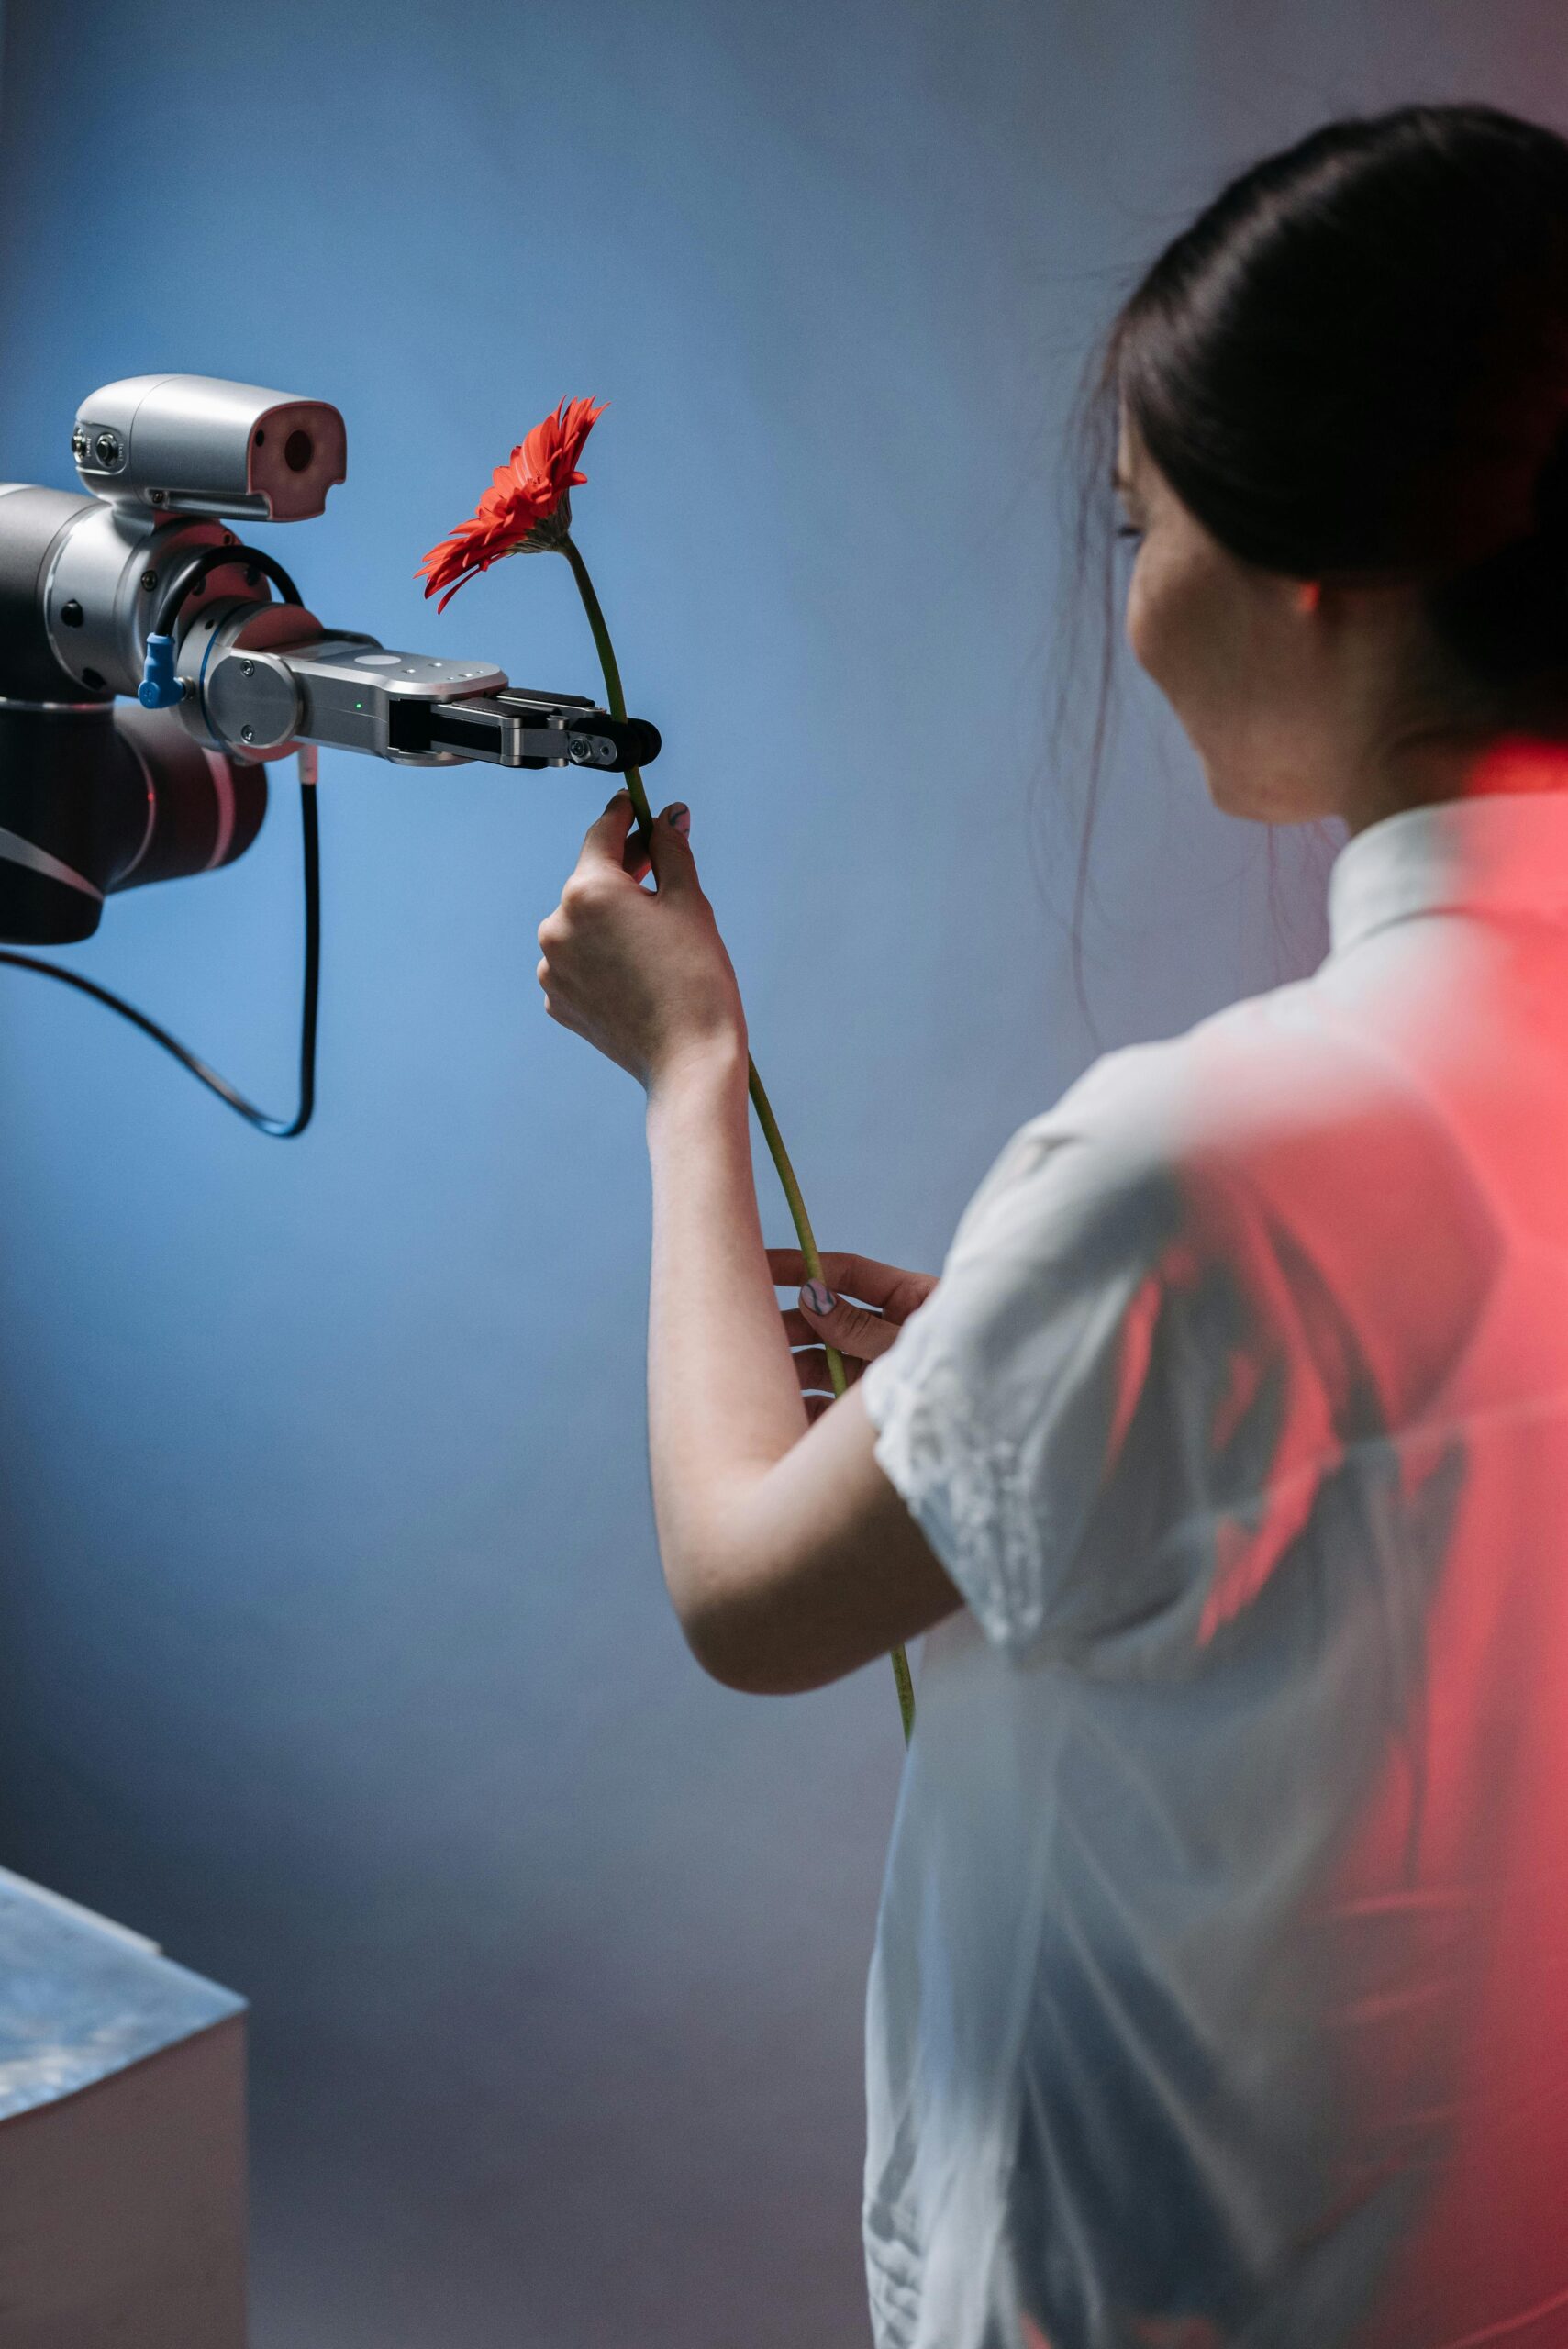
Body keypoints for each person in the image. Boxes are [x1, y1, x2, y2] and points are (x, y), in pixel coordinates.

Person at [534, 101, 1568, 2349]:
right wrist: (1026, 1374)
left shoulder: (1187, 1172)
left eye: (1140, 521)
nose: (1130, 601)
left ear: (1319, 563)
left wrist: (689, 1074)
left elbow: (748, 1590)